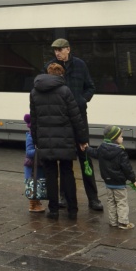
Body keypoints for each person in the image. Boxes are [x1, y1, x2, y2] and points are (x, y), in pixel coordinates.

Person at [45, 38, 103, 211]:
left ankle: (93, 198)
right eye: (55, 50)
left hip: (78, 117)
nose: (57, 53)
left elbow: (90, 87)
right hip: (61, 120)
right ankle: (63, 196)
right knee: (64, 159)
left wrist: (82, 100)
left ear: (68, 49)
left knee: (85, 157)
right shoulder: (50, 67)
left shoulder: (80, 65)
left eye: (60, 49)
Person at [29, 62, 88, 220]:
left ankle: (53, 210)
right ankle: (72, 210)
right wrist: (82, 140)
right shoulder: (65, 90)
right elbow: (75, 117)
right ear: (61, 75)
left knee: (50, 175)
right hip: (65, 139)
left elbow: (34, 120)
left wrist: (36, 140)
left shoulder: (35, 92)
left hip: (45, 141)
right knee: (67, 173)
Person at [87, 125, 136, 229]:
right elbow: (127, 168)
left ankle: (113, 221)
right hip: (119, 182)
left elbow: (94, 153)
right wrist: (133, 180)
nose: (122, 138)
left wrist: (87, 148)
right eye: (120, 137)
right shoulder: (120, 152)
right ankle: (123, 223)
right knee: (121, 202)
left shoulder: (101, 148)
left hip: (108, 182)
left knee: (111, 202)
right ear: (114, 138)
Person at [23, 113, 45, 214]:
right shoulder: (30, 137)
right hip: (32, 167)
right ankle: (33, 205)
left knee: (38, 185)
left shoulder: (36, 137)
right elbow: (29, 152)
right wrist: (39, 150)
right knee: (32, 186)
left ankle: (37, 203)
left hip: (38, 166)